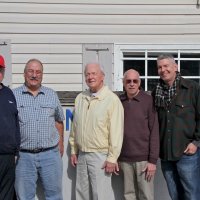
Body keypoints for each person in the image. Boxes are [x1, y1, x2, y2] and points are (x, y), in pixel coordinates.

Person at [69, 62, 124, 200]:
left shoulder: (112, 100)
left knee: (101, 195)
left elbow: (116, 132)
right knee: (82, 194)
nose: (90, 77)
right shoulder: (80, 98)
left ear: (102, 76)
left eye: (94, 73)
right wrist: (74, 150)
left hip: (101, 156)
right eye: (87, 74)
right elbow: (75, 127)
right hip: (82, 155)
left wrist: (112, 158)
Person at [13, 58, 65, 200]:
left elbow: (59, 121)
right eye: (31, 71)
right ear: (24, 74)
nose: (34, 75)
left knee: (54, 196)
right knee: (24, 197)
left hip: (50, 155)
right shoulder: (14, 95)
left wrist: (61, 143)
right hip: (23, 157)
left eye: (38, 72)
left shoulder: (51, 94)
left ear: (42, 75)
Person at [153, 54, 200, 200]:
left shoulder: (192, 88)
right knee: (175, 195)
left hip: (187, 153)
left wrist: (196, 142)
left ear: (175, 67)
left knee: (191, 195)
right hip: (166, 154)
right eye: (160, 67)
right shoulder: (156, 92)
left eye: (166, 66)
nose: (163, 70)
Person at [119, 69, 159, 200]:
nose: (131, 84)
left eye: (135, 81)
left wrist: (152, 161)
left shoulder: (148, 101)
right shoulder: (119, 101)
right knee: (128, 195)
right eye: (128, 81)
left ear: (139, 82)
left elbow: (154, 131)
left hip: (144, 160)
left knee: (146, 196)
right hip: (124, 159)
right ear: (123, 83)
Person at [0, 55, 20, 200]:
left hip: (8, 156)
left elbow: (14, 122)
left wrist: (15, 150)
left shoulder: (9, 93)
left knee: (6, 195)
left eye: (1, 70)